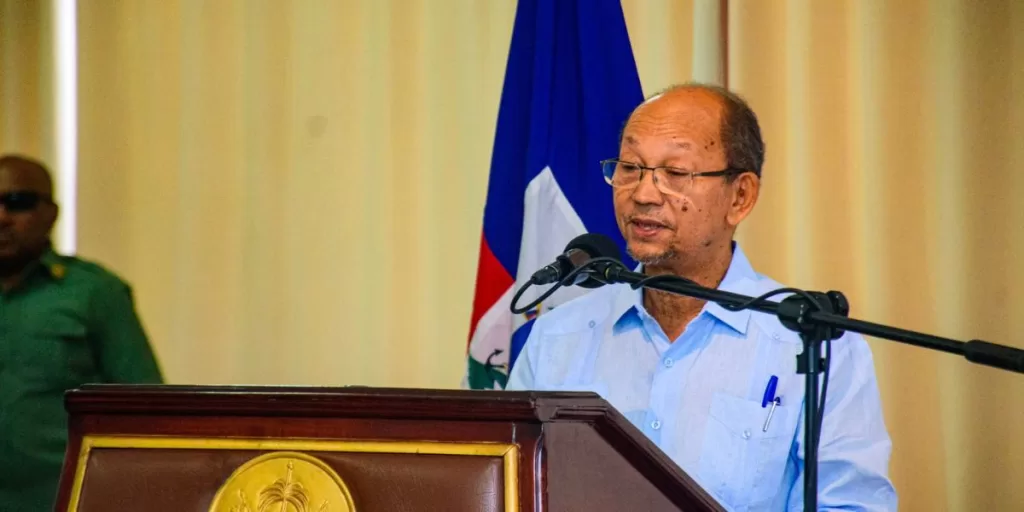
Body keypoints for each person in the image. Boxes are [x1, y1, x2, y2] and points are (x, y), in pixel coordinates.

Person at [505, 84, 897, 511]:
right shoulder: (557, 338)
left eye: (675, 173)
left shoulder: (813, 345)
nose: (643, 194)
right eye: (630, 167)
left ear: (740, 196)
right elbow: (511, 487)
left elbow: (851, 505)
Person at [0, 154, 164, 511]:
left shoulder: (94, 293)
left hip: (63, 499)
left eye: (18, 202)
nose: (2, 217)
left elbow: (146, 410)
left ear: (51, 213)